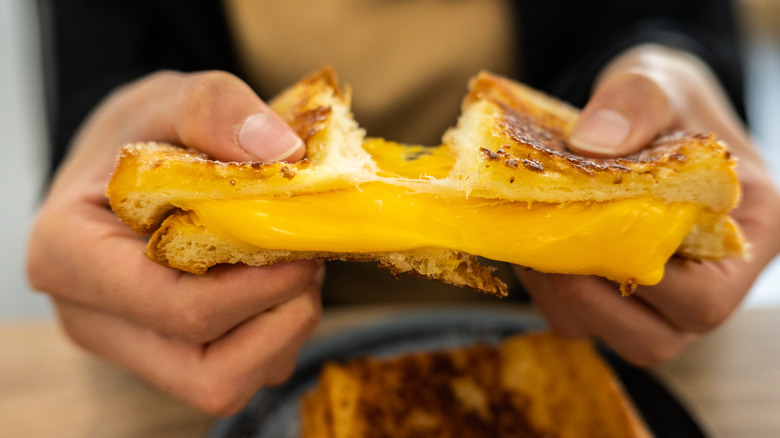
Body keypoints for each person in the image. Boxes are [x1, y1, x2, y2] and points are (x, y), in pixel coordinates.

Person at [27, 0, 780, 416]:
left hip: (587, 326)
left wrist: (673, 67)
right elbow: (106, 73)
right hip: (232, 349)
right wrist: (108, 125)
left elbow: (671, 17)